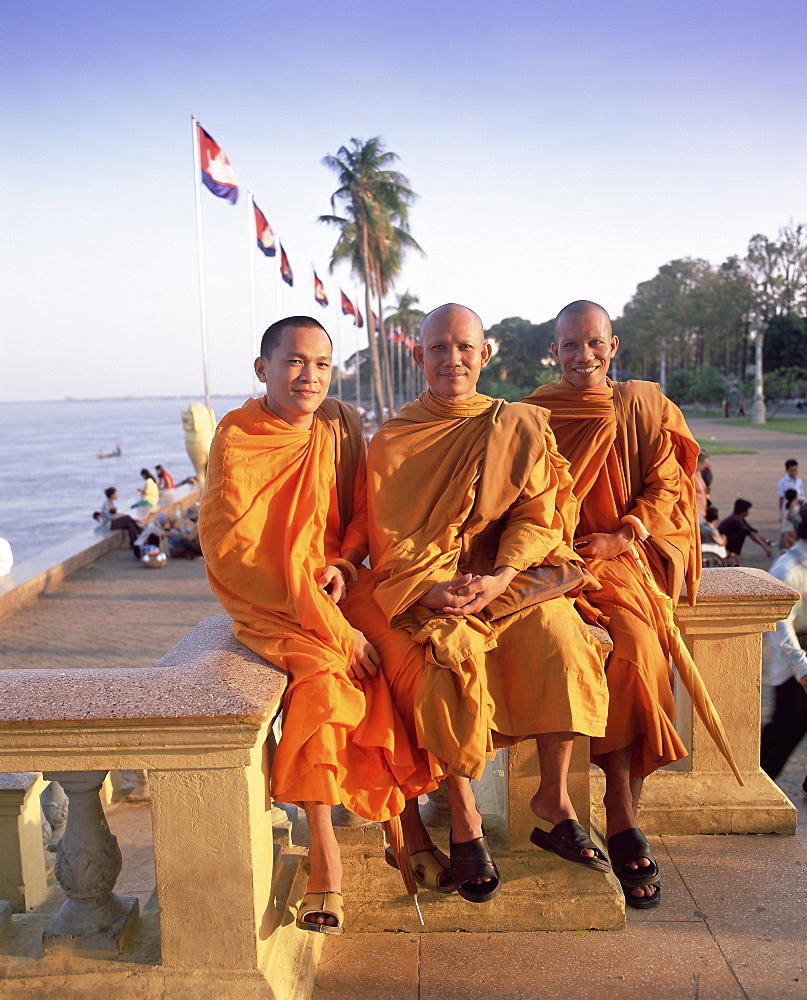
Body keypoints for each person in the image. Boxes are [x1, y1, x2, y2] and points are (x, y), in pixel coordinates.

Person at [358, 303, 609, 903]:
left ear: (484, 355)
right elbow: (389, 540)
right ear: (419, 357)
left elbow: (538, 511)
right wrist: (432, 588)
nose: (452, 359)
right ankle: (466, 815)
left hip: (505, 579)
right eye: (438, 349)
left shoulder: (516, 423)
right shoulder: (395, 439)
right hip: (429, 587)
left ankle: (553, 798)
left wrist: (500, 575)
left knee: (565, 640)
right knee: (450, 659)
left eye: (464, 348)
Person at [198, 316, 429, 935]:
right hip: (272, 597)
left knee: (409, 654)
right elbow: (240, 551)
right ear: (263, 369)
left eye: (322, 364)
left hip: (333, 581)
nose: (310, 376)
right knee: (330, 678)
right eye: (295, 362)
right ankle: (326, 853)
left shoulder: (339, 426)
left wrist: (345, 565)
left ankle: (411, 818)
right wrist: (335, 629)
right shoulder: (239, 437)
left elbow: (360, 513)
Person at [523, 299, 702, 910]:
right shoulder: (532, 413)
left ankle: (619, 804)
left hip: (618, 555)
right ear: (555, 351)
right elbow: (509, 490)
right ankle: (579, 805)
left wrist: (623, 534)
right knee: (559, 648)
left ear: (613, 345)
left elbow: (670, 483)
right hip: (550, 560)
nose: (583, 355)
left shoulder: (643, 407)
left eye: (593, 343)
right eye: (569, 345)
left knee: (634, 650)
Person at [761, 511, 807, 790]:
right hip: (794, 667)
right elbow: (780, 623)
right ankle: (756, 788)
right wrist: (802, 669)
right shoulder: (788, 568)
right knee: (784, 731)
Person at [718, 499, 771, 564]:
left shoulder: (738, 518)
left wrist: (765, 540)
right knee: (741, 533)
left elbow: (752, 530)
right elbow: (751, 534)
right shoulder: (736, 521)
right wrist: (764, 547)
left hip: (725, 542)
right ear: (743, 511)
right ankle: (733, 555)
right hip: (725, 544)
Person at [95, 487, 143, 554]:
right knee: (127, 518)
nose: (117, 495)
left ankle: (134, 543)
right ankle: (140, 531)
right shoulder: (106, 504)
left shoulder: (110, 502)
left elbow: (114, 513)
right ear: (112, 495)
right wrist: (120, 516)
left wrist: (120, 515)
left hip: (113, 522)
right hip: (109, 524)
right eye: (116, 494)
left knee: (130, 525)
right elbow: (109, 516)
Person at [694, 452, 711, 517]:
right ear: (698, 462)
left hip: (701, 510)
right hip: (695, 511)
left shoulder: (698, 473)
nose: (706, 465)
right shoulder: (691, 475)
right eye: (705, 463)